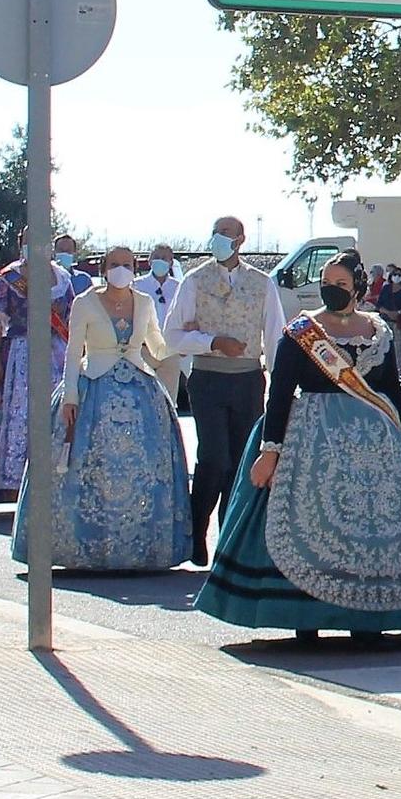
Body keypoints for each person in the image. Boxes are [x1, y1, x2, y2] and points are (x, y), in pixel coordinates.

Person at [196, 252, 401, 638]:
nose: (331, 290)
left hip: (375, 442)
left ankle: (369, 617)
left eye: (340, 284)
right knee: (311, 524)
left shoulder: (377, 332)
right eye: (326, 282)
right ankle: (308, 618)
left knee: (375, 527)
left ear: (357, 287)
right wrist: (270, 451)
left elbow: (390, 392)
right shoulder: (302, 331)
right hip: (313, 440)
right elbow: (280, 394)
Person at [15, 246, 189, 571]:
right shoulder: (85, 303)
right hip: (93, 384)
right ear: (103, 268)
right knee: (87, 465)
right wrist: (70, 396)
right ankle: (85, 545)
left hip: (141, 391)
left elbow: (158, 347)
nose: (120, 269)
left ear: (135, 267)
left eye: (126, 264)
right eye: (113, 264)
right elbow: (72, 351)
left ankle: (140, 546)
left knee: (144, 467)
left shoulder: (146, 303)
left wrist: (192, 339)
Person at [165, 217, 285, 566]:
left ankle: (227, 541)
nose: (220, 239)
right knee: (214, 458)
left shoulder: (262, 283)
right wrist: (212, 341)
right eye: (216, 232)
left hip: (247, 379)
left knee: (239, 462)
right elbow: (172, 334)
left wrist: (280, 385)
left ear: (240, 240)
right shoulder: (194, 280)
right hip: (208, 378)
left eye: (227, 234)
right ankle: (197, 525)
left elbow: (275, 335)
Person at [0, 232, 73, 501]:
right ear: (21, 244)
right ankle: (16, 483)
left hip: (57, 354)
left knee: (54, 414)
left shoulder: (62, 277)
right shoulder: (9, 279)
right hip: (21, 353)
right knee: (21, 415)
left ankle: (54, 477)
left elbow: (72, 318)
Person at [136, 245, 185, 406]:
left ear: (171, 262)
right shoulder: (137, 285)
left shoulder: (179, 287)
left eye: (165, 258)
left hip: (170, 349)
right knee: (141, 397)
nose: (160, 261)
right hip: (143, 349)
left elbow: (185, 315)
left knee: (168, 400)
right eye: (157, 257)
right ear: (149, 260)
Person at [378, 265, 401, 374]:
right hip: (386, 320)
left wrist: (398, 313)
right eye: (394, 274)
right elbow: (379, 304)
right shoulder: (386, 289)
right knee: (385, 345)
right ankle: (386, 370)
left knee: (399, 346)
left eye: (399, 275)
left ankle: (400, 370)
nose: (396, 277)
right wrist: (388, 312)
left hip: (400, 321)